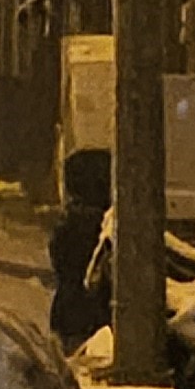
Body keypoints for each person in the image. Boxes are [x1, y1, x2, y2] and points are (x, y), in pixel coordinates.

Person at [49, 145, 115, 354]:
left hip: (68, 313)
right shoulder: (105, 227)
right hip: (94, 319)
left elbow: (59, 260)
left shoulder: (70, 221)